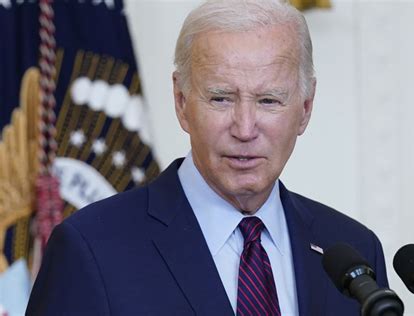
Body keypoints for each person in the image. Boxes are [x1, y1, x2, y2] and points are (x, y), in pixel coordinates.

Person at [27, 0, 388, 315]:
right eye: (221, 98)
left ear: (305, 109)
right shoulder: (91, 249)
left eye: (269, 101)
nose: (245, 128)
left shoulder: (354, 250)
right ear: (182, 103)